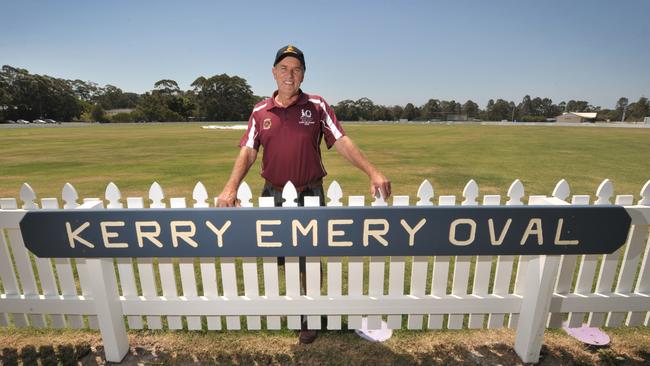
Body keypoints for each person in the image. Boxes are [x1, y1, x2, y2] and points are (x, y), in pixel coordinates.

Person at [216, 44, 390, 343]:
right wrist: (231, 186)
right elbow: (248, 150)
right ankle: (296, 306)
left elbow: (342, 141)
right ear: (274, 72)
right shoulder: (260, 110)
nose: (289, 74)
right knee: (282, 258)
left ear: (303, 74)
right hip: (273, 196)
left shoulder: (317, 105)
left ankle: (309, 316)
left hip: (310, 194)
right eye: (283, 68)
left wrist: (372, 171)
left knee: (308, 258)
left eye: (296, 69)